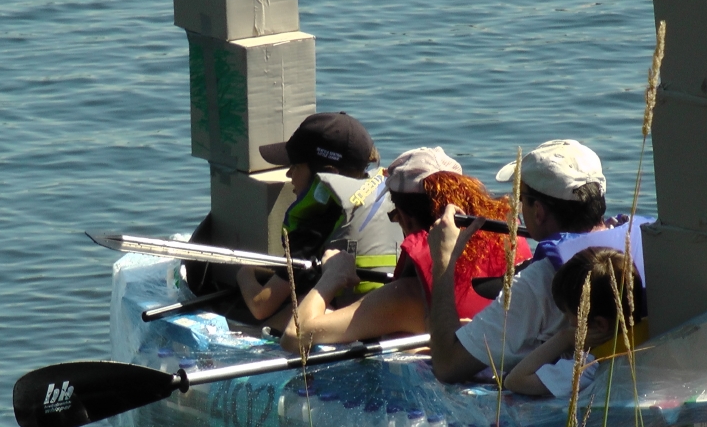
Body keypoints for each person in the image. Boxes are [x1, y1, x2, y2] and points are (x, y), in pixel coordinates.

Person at [427, 139, 648, 384]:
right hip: (641, 376)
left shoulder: (538, 280)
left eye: (521, 199)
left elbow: (447, 365)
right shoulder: (644, 243)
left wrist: (443, 262)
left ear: (539, 211)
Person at [279, 146, 529, 352]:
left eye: (395, 216)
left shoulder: (406, 298)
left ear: (407, 218)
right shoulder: (509, 245)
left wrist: (332, 276)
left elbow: (295, 336)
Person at [184, 112, 401, 329]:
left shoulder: (316, 225)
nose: (289, 174)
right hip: (391, 310)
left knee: (279, 315)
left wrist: (245, 273)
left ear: (329, 174)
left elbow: (261, 305)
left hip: (353, 325)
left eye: (295, 166)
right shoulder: (390, 199)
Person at [504, 247, 645, 398]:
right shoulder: (651, 331)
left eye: (568, 315)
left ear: (600, 324)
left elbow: (514, 380)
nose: (568, 321)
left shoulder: (590, 367)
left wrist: (565, 337)